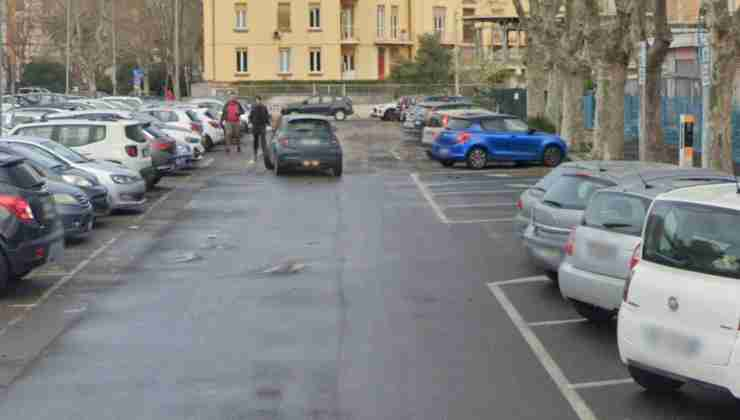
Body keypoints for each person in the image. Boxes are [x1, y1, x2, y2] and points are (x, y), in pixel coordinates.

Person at [249, 96, 271, 164]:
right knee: (255, 141)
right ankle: (255, 154)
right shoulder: (253, 107)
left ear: (261, 100)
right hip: (255, 126)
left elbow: (267, 115)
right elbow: (250, 116)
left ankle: (265, 154)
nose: (258, 101)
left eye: (259, 100)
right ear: (255, 101)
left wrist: (268, 123)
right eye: (257, 100)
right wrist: (250, 122)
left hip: (262, 126)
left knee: (263, 141)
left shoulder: (264, 107)